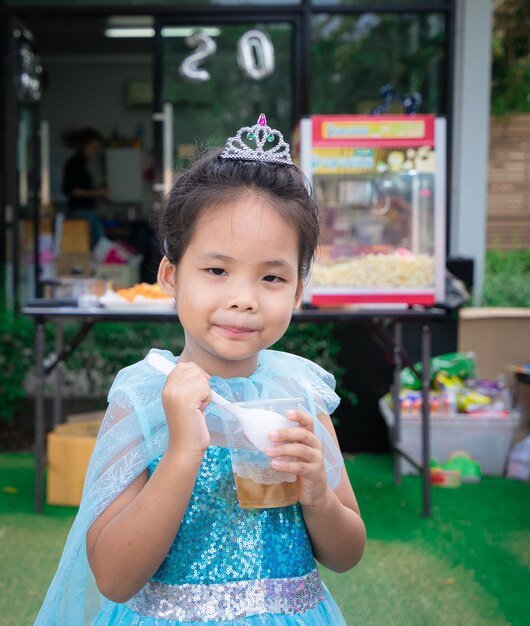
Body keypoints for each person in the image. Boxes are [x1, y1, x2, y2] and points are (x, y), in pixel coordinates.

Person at [35, 114, 366, 625]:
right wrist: (184, 448)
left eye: (272, 277)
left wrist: (317, 492)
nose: (243, 299)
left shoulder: (298, 393)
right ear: (171, 274)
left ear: (298, 291)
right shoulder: (145, 398)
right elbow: (115, 579)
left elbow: (346, 555)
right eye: (217, 270)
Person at [61, 127, 108, 246]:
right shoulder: (74, 163)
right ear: (85, 145)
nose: (96, 150)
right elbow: (72, 190)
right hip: (81, 212)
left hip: (85, 212)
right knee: (100, 244)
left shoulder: (82, 164)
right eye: (94, 146)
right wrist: (97, 193)